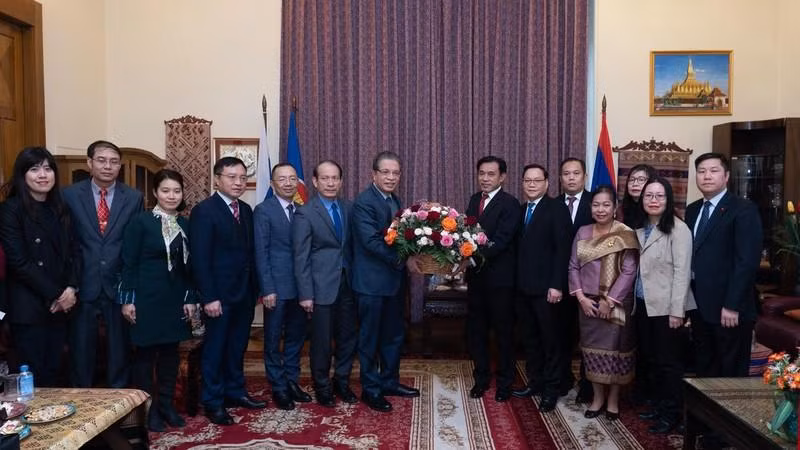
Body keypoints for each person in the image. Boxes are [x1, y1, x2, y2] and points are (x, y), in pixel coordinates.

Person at [118, 169, 195, 431]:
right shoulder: (141, 222)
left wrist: (190, 298)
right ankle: (148, 411)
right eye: (165, 191)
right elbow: (128, 263)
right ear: (155, 193)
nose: (171, 196)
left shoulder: (186, 225)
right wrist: (128, 299)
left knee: (170, 355)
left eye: (176, 191)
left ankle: (167, 406)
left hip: (174, 299)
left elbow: (190, 269)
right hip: (145, 298)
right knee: (145, 357)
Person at [191, 157, 265, 426]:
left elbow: (250, 253)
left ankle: (235, 391)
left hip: (244, 294)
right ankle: (213, 400)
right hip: (218, 297)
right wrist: (209, 296)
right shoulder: (204, 211)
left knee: (237, 347)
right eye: (231, 177)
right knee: (215, 349)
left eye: (242, 178)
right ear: (217, 179)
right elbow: (200, 258)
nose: (238, 182)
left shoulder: (245, 209)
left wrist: (255, 288)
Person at [63, 140, 143, 388]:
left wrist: (130, 289)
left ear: (120, 166)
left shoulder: (133, 197)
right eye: (101, 160)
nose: (108, 166)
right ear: (89, 163)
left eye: (114, 162)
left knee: (119, 353)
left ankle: (119, 410)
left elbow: (135, 244)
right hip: (83, 284)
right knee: (81, 353)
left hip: (117, 285)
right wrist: (69, 284)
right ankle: (83, 406)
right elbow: (65, 243)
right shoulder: (68, 195)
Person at [0, 147, 78, 387]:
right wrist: (56, 293)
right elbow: (19, 262)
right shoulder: (11, 210)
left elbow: (74, 253)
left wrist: (72, 288)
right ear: (23, 175)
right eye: (34, 169)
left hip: (61, 306)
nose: (42, 175)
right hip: (29, 308)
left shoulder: (60, 208)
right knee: (33, 377)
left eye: (47, 168)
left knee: (55, 372)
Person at [352, 151, 420, 412]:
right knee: (370, 339)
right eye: (386, 172)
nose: (391, 177)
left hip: (392, 283)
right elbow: (371, 243)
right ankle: (371, 390)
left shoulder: (394, 199)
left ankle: (389, 381)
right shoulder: (364, 202)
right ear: (374, 174)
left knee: (393, 335)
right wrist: (405, 260)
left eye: (396, 173)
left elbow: (399, 237)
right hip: (370, 285)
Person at [686, 153, 762, 377]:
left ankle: (729, 413)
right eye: (701, 171)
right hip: (699, 307)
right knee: (705, 367)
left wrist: (732, 305)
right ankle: (703, 414)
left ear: (726, 176)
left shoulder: (743, 209)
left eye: (713, 170)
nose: (707, 176)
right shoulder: (692, 210)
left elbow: (746, 262)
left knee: (730, 372)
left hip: (729, 309)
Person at [568, 185, 638, 421]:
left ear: (615, 207)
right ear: (590, 207)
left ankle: (613, 400)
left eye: (606, 204)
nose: (601, 209)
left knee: (616, 352)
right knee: (591, 352)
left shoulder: (625, 233)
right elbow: (573, 266)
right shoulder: (583, 232)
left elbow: (629, 271)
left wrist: (610, 301)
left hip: (616, 304)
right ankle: (597, 399)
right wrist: (581, 298)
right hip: (587, 303)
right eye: (596, 204)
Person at [293, 160, 358, 408]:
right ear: (315, 181)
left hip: (349, 284)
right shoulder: (305, 212)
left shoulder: (349, 208)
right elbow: (301, 256)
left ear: (341, 181)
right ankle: (322, 386)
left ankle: (342, 382)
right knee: (321, 341)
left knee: (348, 338)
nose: (331, 183)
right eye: (325, 178)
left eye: (335, 178)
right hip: (320, 288)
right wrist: (305, 293)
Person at [634, 177, 696, 434]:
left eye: (660, 196)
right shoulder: (640, 227)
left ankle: (672, 413)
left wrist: (676, 311)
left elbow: (683, 272)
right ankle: (659, 405)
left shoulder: (678, 229)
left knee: (669, 363)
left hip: (667, 309)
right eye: (649, 196)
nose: (654, 200)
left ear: (668, 200)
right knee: (652, 360)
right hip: (643, 305)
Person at [511, 164, 572, 412]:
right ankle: (535, 382)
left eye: (537, 180)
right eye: (527, 180)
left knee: (551, 342)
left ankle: (551, 389)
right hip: (523, 289)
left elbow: (563, 250)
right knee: (531, 340)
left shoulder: (556, 208)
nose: (532, 184)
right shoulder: (522, 209)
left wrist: (557, 285)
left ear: (547, 183)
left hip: (548, 290)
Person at [254, 163, 312, 411]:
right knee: (273, 339)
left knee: (296, 339)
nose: (288, 183)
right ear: (273, 183)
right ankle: (278, 387)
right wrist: (267, 288)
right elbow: (261, 252)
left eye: (292, 179)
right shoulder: (263, 210)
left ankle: (291, 381)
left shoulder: (303, 210)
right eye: (282, 179)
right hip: (275, 288)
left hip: (300, 288)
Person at [464, 155, 520, 402]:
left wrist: (471, 256)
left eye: (491, 174)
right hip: (476, 280)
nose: (485, 179)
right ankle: (481, 378)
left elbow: (502, 240)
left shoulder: (511, 204)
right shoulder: (474, 199)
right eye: (481, 174)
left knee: (503, 333)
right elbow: (466, 234)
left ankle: (506, 381)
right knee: (477, 331)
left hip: (500, 281)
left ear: (502, 177)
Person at [557, 157, 593, 403]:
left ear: (584, 176)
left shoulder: (596, 203)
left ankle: (588, 386)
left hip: (589, 282)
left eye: (575, 173)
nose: (571, 177)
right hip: (559, 282)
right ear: (560, 178)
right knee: (561, 334)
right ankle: (562, 378)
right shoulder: (552, 204)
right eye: (566, 174)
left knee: (589, 337)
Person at [618, 164, 657, 228]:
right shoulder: (620, 210)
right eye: (632, 180)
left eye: (641, 180)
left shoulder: (656, 208)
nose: (635, 184)